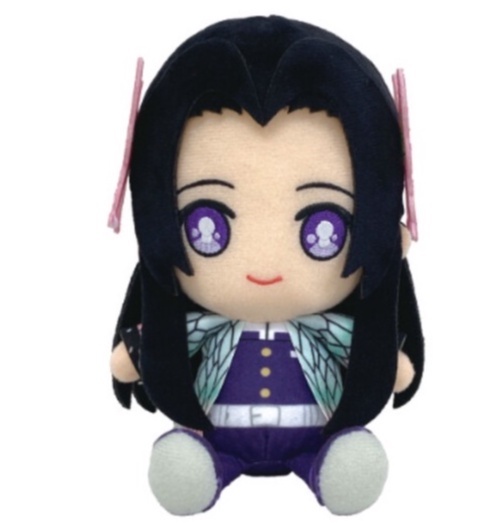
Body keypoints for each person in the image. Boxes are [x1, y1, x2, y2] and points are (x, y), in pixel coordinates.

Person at [110, 15, 424, 516]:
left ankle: (326, 464)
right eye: (208, 223)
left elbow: (388, 366)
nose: (263, 264)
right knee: (187, 464)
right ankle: (205, 467)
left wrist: (391, 363)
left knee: (346, 461)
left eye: (323, 225)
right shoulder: (201, 323)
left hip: (313, 433)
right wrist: (135, 351)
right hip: (216, 434)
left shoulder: (330, 328)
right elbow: (147, 347)